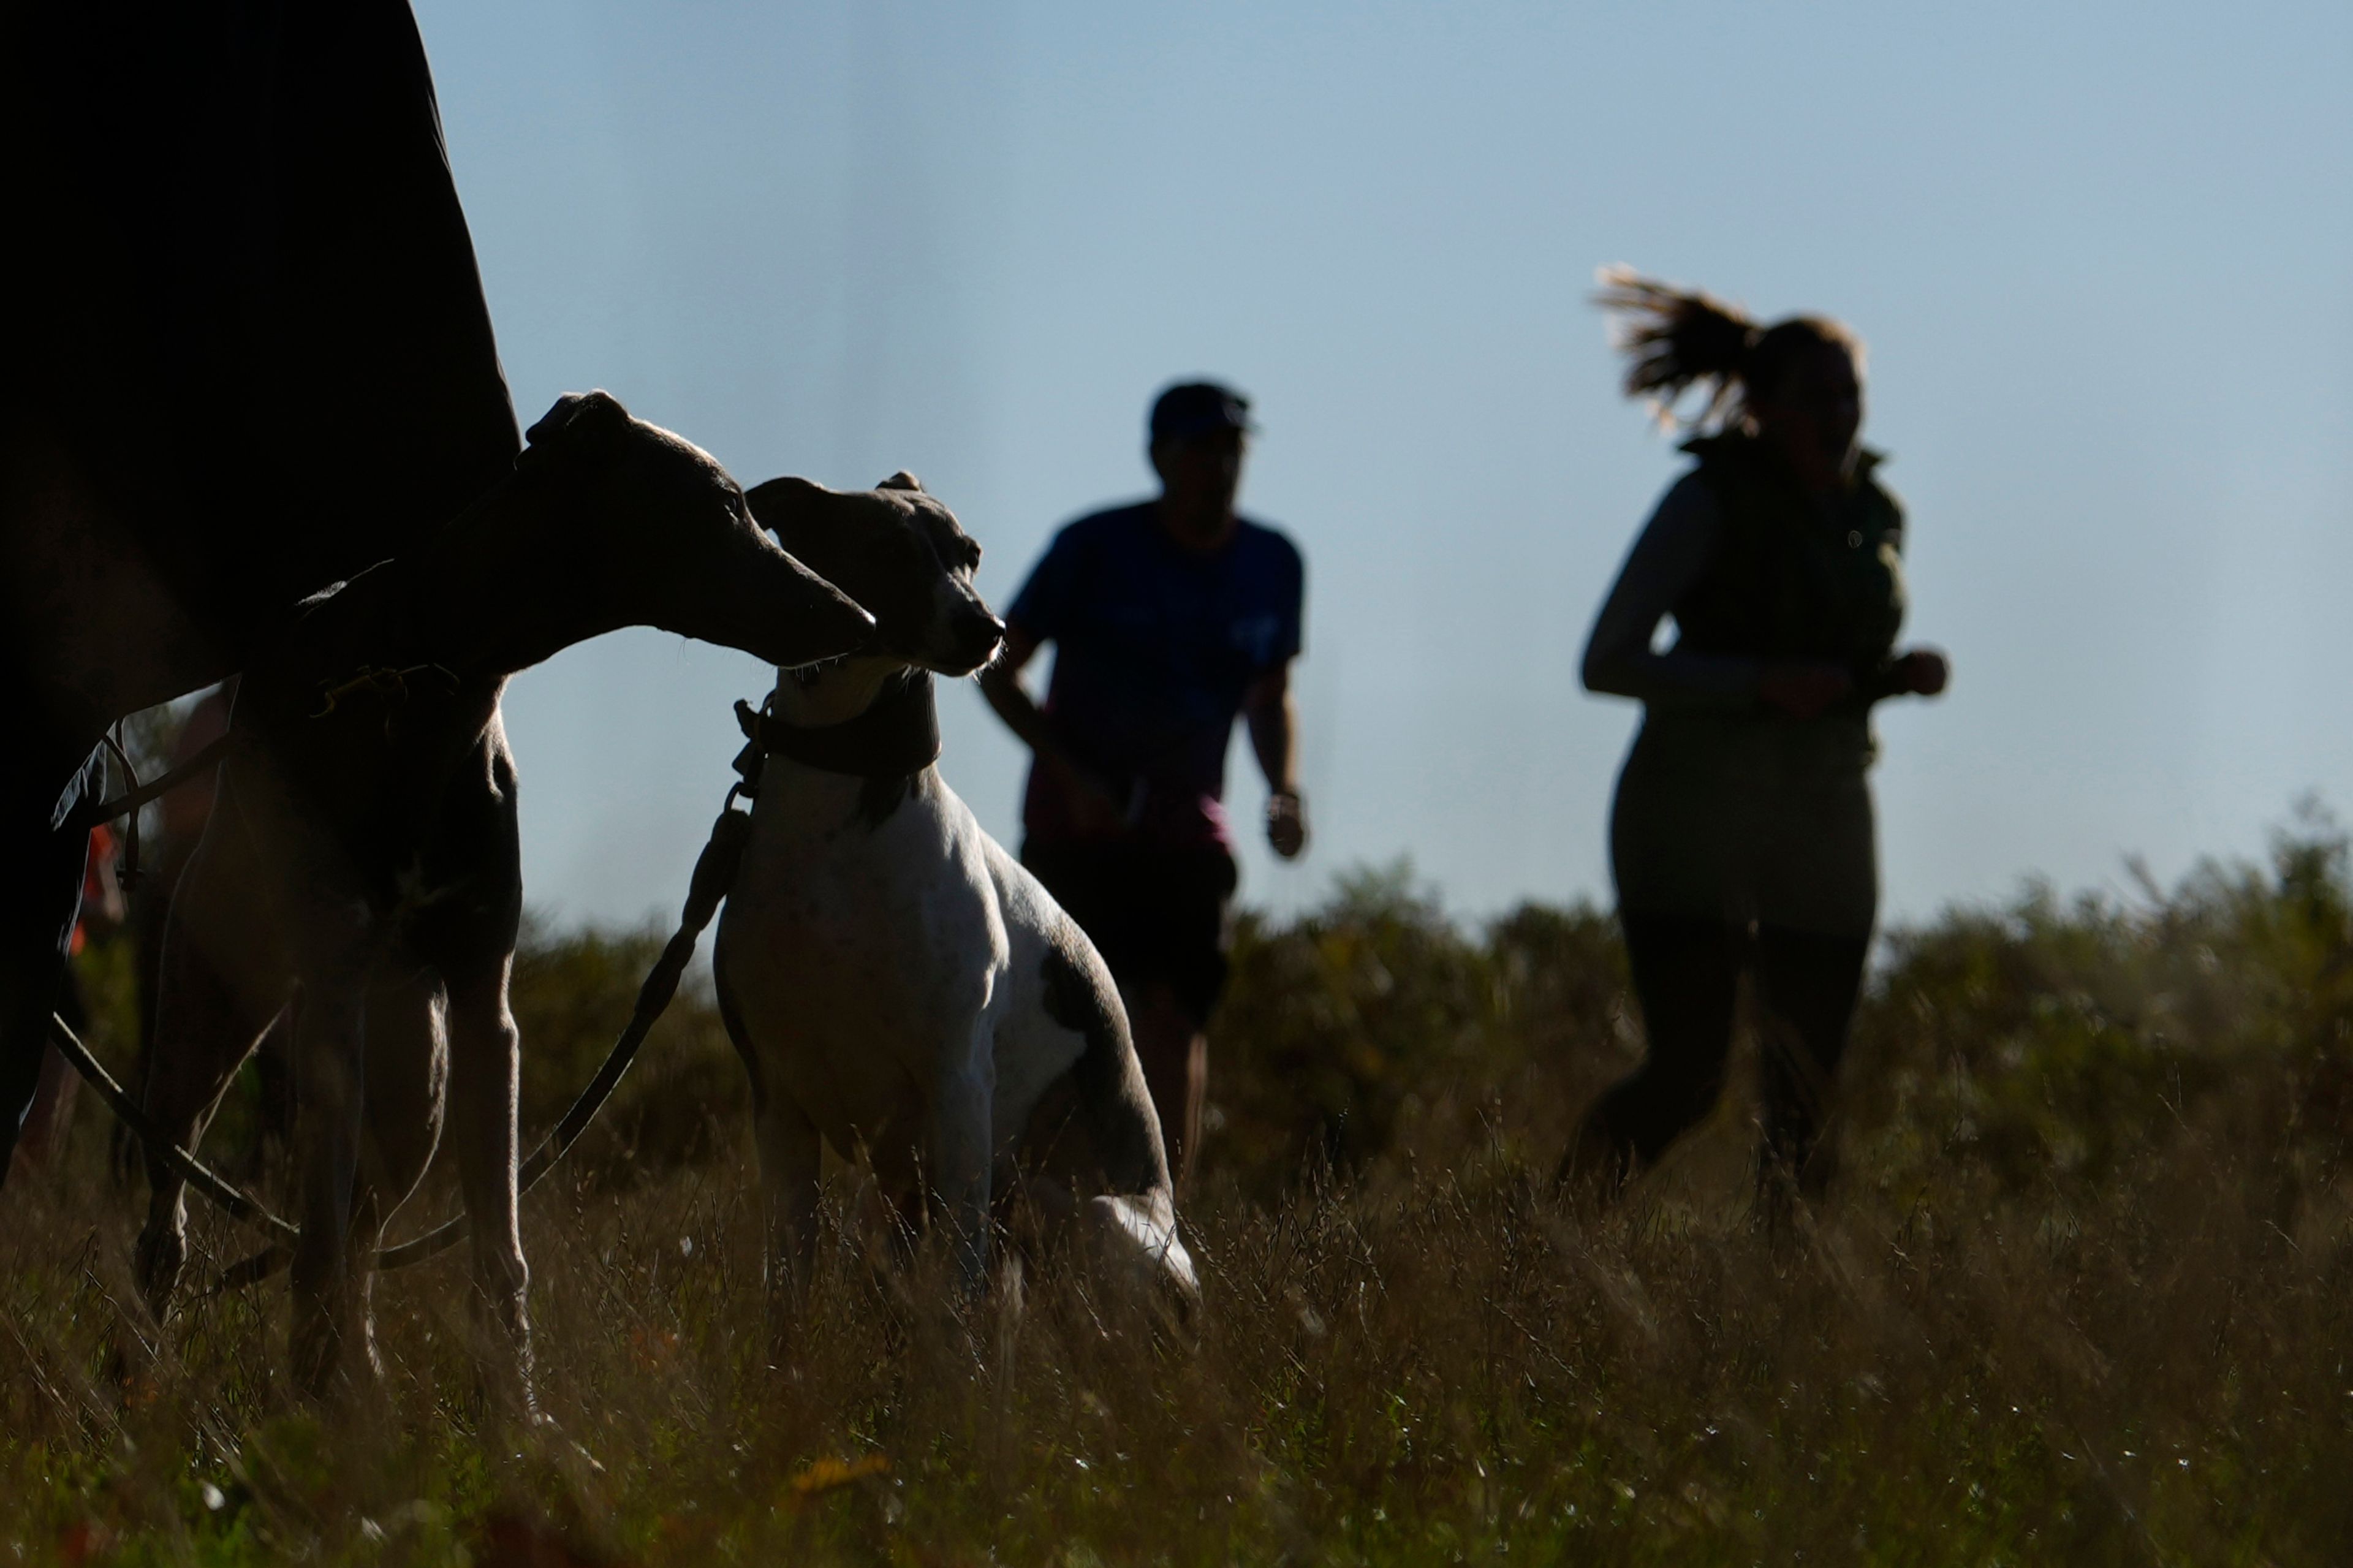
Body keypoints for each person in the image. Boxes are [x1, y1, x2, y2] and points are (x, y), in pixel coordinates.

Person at [1563, 271, 1949, 1204]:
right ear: (1764, 409)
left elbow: (1833, 672)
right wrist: (1753, 685)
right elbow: (1606, 661)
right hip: (1688, 817)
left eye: (1851, 394)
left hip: (1824, 812)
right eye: (1817, 397)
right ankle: (1542, 1245)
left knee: (1806, 1089)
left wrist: (1895, 679)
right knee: (1691, 1078)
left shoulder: (1876, 514)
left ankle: (1789, 1319)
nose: (1841, 414)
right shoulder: (1706, 502)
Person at [982, 381, 1308, 1180]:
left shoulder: (1272, 562)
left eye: (1232, 449)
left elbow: (1270, 697)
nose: (1219, 465)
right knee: (1066, 1035)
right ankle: (1043, 1227)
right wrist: (1073, 774)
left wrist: (1285, 788)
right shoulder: (1093, 548)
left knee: (1174, 1023)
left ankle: (1162, 1232)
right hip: (1076, 838)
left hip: (1189, 839)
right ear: (1160, 457)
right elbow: (999, 669)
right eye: (1201, 448)